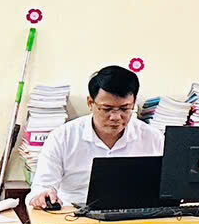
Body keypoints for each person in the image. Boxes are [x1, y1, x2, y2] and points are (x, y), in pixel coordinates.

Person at [26, 65, 163, 211]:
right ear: (90, 103)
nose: (116, 117)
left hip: (136, 217)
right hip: (74, 216)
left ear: (133, 104)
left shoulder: (153, 138)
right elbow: (41, 187)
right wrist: (42, 196)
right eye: (107, 109)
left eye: (124, 109)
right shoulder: (62, 137)